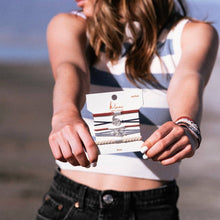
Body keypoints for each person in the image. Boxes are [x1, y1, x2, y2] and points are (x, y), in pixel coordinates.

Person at [37, 0, 218, 219]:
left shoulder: (193, 33)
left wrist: (186, 123)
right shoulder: (72, 25)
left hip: (151, 208)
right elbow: (71, 68)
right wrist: (65, 114)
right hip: (70, 205)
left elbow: (189, 78)